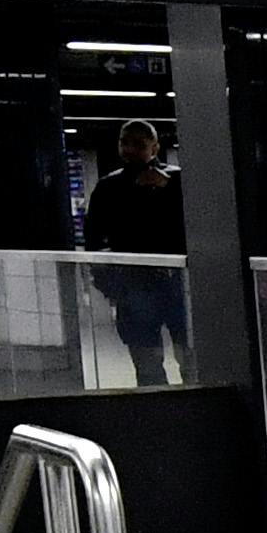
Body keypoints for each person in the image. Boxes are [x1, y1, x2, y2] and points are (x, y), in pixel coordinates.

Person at [88, 121, 194, 388]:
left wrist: (167, 189)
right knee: (146, 359)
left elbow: (195, 225)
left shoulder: (178, 182)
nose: (130, 149)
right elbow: (95, 239)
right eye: (125, 142)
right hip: (135, 282)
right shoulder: (109, 187)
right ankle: (159, 404)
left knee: (190, 354)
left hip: (177, 281)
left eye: (139, 144)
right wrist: (109, 284)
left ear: (155, 147)